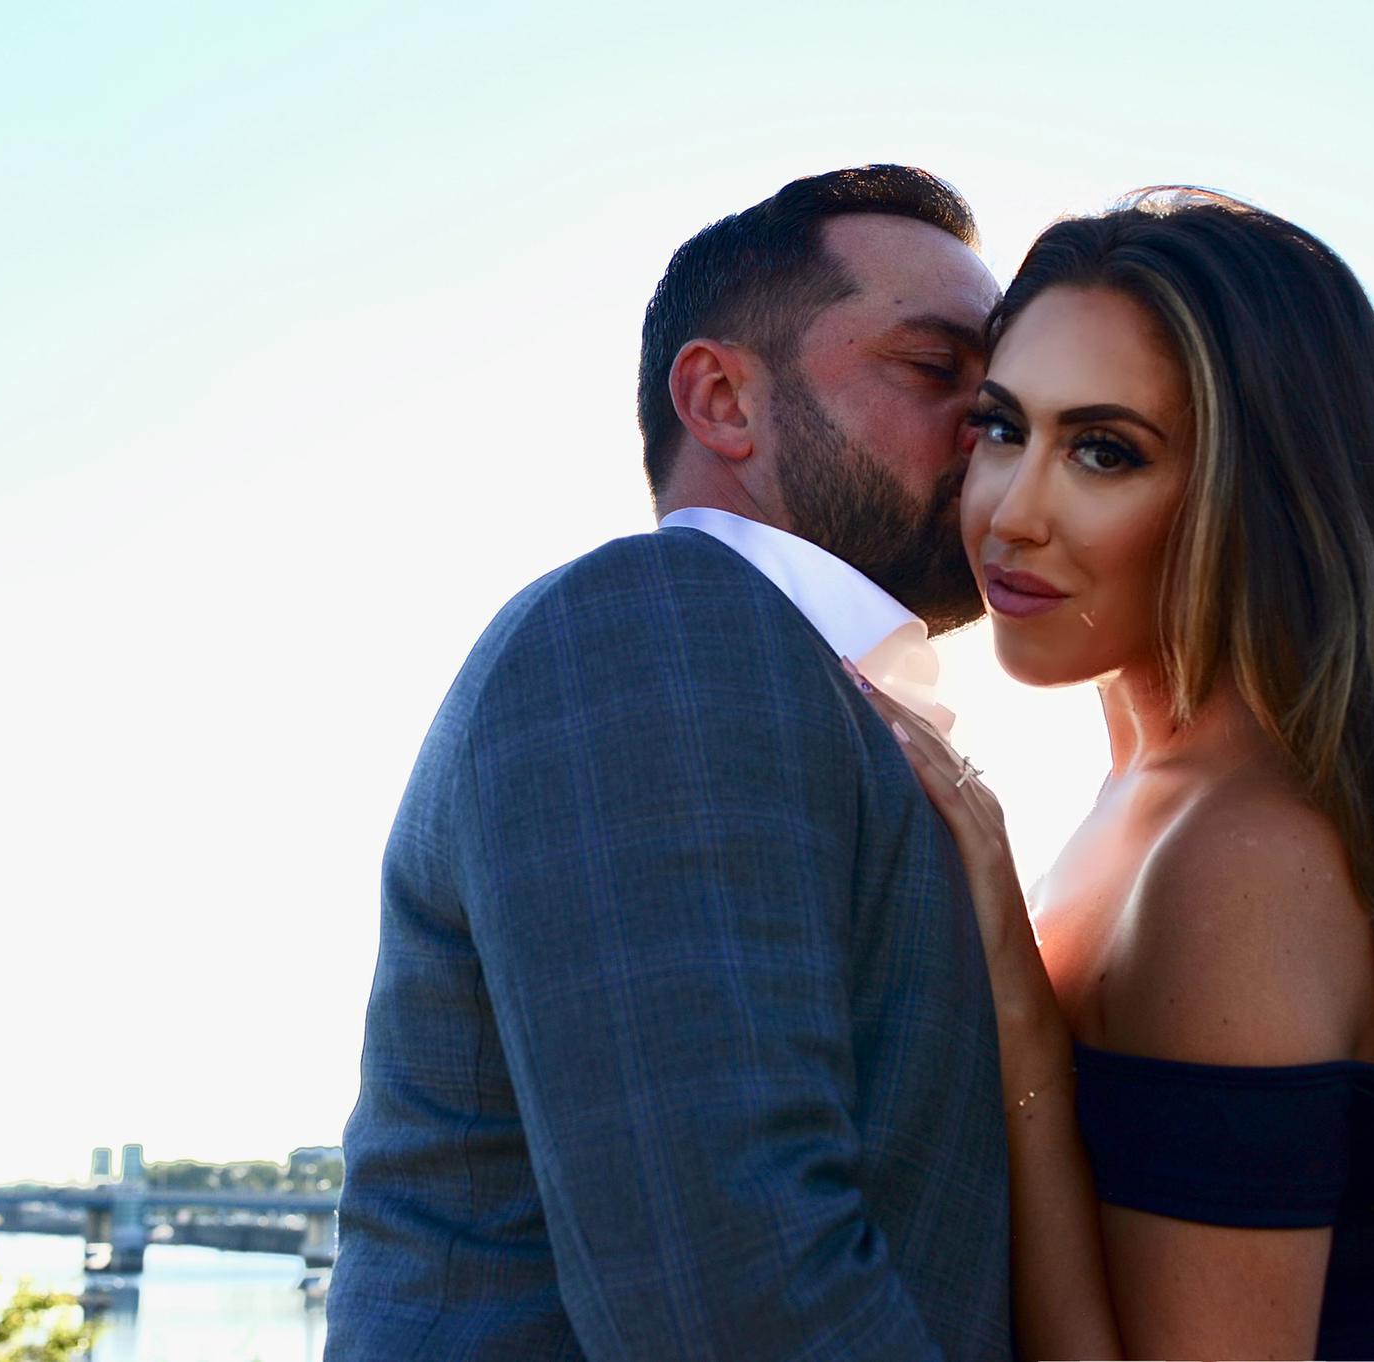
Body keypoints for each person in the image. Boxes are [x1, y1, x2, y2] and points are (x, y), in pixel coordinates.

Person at [855, 189, 1374, 1361]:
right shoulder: (1155, 802)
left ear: (1261, 495)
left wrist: (1018, 1025)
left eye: (1104, 451)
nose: (1010, 513)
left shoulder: (1238, 857)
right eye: (1000, 428)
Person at [326, 166, 1017, 1360]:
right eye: (931, 368)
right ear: (722, 400)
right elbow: (738, 1301)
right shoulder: (661, 629)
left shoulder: (805, 688)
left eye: (999, 399)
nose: (993, 433)